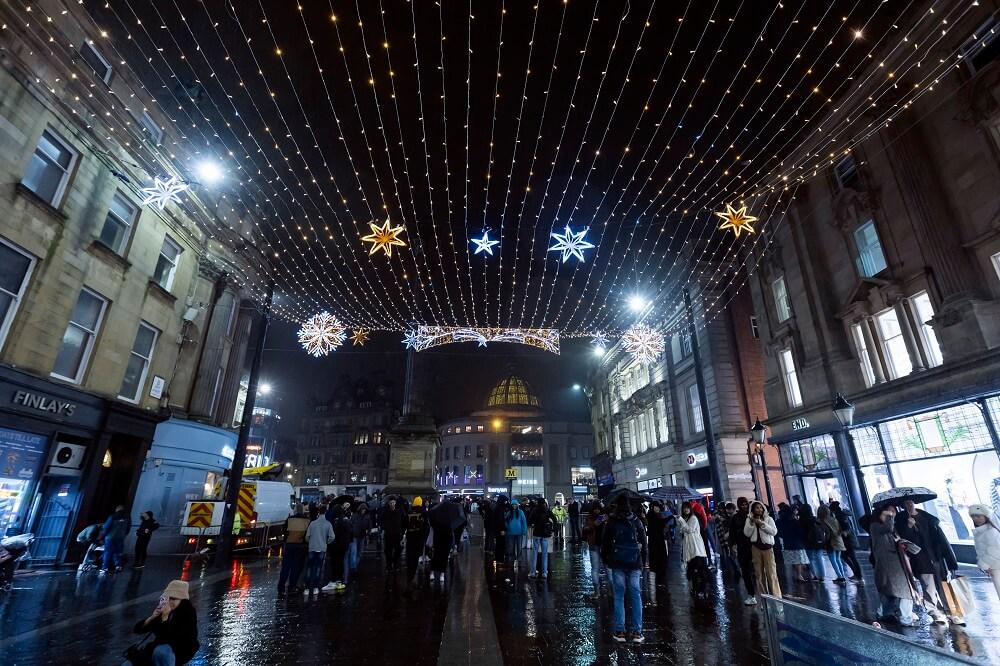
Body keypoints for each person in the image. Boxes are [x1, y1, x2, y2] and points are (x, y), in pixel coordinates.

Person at [895, 498, 961, 625]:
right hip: (920, 558)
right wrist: (908, 527)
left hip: (935, 555)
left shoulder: (927, 518)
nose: (908, 505)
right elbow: (903, 540)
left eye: (910, 502)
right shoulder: (901, 520)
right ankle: (934, 612)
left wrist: (947, 557)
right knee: (928, 585)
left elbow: (939, 538)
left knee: (943, 584)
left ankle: (950, 612)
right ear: (903, 506)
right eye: (905, 504)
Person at [601, 495, 647, 643]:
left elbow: (605, 543)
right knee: (636, 595)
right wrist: (643, 562)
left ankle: (620, 631)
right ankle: (637, 633)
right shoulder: (636, 521)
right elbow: (644, 543)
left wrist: (607, 560)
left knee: (619, 596)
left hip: (618, 563)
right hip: (634, 563)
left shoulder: (612, 522)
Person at [122, 580, 199, 666]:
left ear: (182, 600)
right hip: (158, 648)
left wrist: (165, 618)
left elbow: (170, 638)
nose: (169, 601)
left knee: (161, 651)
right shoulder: (165, 608)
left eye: (173, 599)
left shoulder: (188, 613)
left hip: (179, 650)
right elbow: (137, 630)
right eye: (168, 598)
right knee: (127, 664)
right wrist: (152, 618)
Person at [869, 504, 919, 626]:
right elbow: (888, 528)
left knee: (891, 592)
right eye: (888, 512)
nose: (892, 514)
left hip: (895, 563)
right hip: (888, 565)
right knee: (905, 591)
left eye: (893, 512)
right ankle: (905, 618)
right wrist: (889, 517)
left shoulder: (888, 527)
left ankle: (883, 613)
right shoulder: (875, 526)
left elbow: (894, 534)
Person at [744, 501, 781, 601]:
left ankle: (777, 599)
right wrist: (752, 523)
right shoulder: (749, 520)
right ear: (752, 509)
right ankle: (765, 600)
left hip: (768, 548)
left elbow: (774, 532)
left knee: (771, 573)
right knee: (759, 574)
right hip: (756, 548)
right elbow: (747, 533)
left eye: (761, 507)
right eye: (757, 508)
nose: (759, 509)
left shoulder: (769, 519)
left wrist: (762, 524)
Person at [969, 503, 1000, 601]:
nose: (975, 519)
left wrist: (984, 564)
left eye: (978, 516)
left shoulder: (990, 531)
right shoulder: (981, 532)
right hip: (994, 567)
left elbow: (995, 551)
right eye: (973, 516)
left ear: (986, 516)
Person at [728, 497, 756, 604]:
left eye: (745, 504)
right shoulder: (735, 518)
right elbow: (732, 533)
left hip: (753, 546)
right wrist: (733, 545)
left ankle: (761, 595)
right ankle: (751, 594)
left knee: (756, 571)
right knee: (745, 571)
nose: (744, 506)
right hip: (742, 547)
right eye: (742, 504)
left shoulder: (751, 515)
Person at [679, 502, 709, 599]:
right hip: (689, 548)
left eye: (687, 508)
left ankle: (702, 590)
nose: (686, 510)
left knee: (700, 570)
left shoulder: (693, 518)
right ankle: (695, 589)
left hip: (696, 548)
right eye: (684, 508)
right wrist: (681, 522)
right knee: (693, 571)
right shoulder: (686, 519)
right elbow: (681, 531)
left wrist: (681, 520)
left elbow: (689, 530)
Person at [277, 505, 310, 595]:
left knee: (286, 568)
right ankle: (292, 587)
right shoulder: (307, 520)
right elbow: (307, 534)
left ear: (295, 510)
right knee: (296, 568)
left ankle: (281, 588)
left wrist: (286, 540)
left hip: (289, 545)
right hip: (300, 546)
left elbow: (284, 531)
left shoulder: (289, 519)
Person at [830, 501, 863, 583]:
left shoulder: (840, 516)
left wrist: (842, 533)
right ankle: (857, 574)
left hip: (848, 541)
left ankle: (859, 576)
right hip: (848, 540)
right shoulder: (841, 515)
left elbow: (847, 528)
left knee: (851, 557)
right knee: (847, 557)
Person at [776, 503, 809, 582]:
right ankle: (799, 575)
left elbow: (778, 532)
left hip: (787, 543)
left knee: (793, 559)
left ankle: (798, 574)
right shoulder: (794, 521)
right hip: (797, 542)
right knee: (798, 560)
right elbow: (800, 532)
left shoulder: (780, 521)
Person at [305, 509, 334, 596]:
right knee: (318, 567)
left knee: (309, 568)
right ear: (325, 513)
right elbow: (332, 537)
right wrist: (326, 542)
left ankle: (306, 588)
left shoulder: (312, 523)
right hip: (322, 548)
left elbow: (307, 536)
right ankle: (315, 588)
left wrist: (310, 542)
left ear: (318, 513)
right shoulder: (328, 524)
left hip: (312, 547)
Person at [816, 505, 848, 584]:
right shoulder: (834, 519)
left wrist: (824, 541)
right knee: (838, 559)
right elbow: (839, 529)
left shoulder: (823, 521)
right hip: (839, 541)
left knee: (833, 560)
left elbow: (827, 533)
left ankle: (840, 577)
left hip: (831, 543)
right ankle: (842, 576)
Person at [528, 498, 557, 579]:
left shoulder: (535, 510)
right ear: (544, 503)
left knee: (534, 553)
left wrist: (533, 523)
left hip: (536, 534)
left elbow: (529, 521)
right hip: (545, 534)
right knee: (544, 554)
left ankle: (533, 572)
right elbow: (555, 519)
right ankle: (544, 573)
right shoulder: (547, 510)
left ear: (538, 503)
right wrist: (553, 529)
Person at [405, 496, 430, 586]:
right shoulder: (424, 513)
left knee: (409, 556)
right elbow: (426, 527)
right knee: (416, 556)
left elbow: (405, 524)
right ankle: (413, 573)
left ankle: (409, 574)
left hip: (410, 537)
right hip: (419, 538)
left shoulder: (409, 512)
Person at [798, 504, 826, 581]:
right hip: (818, 541)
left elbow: (801, 533)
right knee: (819, 557)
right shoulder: (814, 518)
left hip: (808, 542)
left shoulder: (802, 520)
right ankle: (822, 575)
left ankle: (815, 575)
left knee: (811, 559)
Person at [582, 506, 605, 597]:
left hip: (593, 544)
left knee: (595, 569)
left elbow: (586, 530)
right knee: (608, 569)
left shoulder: (589, 518)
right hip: (604, 545)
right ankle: (611, 592)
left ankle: (597, 592)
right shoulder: (604, 517)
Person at [100, 505, 131, 574]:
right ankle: (118, 566)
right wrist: (124, 534)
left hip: (110, 537)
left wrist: (102, 536)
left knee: (107, 552)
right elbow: (128, 528)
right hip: (120, 537)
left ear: (117, 509)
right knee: (118, 552)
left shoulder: (112, 516)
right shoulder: (128, 517)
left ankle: (104, 567)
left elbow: (105, 527)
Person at [381, 496, 407, 572]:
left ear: (395, 503)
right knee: (388, 551)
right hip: (388, 534)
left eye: (393, 502)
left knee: (398, 550)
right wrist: (384, 528)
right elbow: (382, 521)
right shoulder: (385, 511)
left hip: (397, 534)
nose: (392, 504)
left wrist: (403, 531)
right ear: (389, 503)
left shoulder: (400, 511)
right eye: (391, 503)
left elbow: (404, 522)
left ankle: (395, 564)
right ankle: (389, 565)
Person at [646, 501, 669, 586]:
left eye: (658, 507)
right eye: (655, 507)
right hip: (654, 542)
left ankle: (660, 581)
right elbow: (658, 526)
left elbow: (662, 527)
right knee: (656, 561)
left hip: (659, 541)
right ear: (652, 507)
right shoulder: (651, 516)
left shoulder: (659, 516)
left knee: (660, 561)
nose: (657, 508)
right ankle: (657, 583)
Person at [504, 499, 528, 570]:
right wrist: (507, 527)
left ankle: (519, 559)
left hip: (519, 532)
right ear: (512, 505)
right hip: (511, 532)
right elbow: (505, 521)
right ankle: (512, 559)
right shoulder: (509, 513)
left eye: (515, 505)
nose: (514, 506)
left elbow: (524, 522)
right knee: (511, 547)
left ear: (517, 505)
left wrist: (524, 530)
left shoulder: (520, 512)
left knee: (519, 547)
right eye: (513, 505)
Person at [349, 503, 372, 571]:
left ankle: (354, 565)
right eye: (362, 509)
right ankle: (353, 567)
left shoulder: (367, 516)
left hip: (362, 536)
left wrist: (368, 533)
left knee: (359, 552)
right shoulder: (355, 515)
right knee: (354, 552)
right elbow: (350, 524)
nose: (363, 511)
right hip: (355, 536)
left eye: (364, 509)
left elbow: (370, 526)